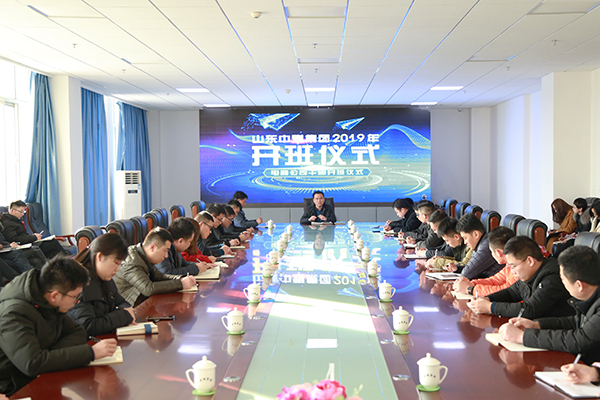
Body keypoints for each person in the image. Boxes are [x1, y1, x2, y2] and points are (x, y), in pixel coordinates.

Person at [0, 256, 117, 396]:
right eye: (75, 297)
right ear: (54, 295)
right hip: (14, 387)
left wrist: (48, 356)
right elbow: (32, 364)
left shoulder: (45, 299)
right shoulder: (13, 313)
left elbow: (78, 332)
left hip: (39, 376)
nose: (77, 302)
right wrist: (90, 353)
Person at [498, 246, 600, 364]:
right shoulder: (590, 296)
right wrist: (537, 325)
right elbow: (575, 322)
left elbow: (579, 341)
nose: (562, 283)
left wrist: (522, 337)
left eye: (563, 279)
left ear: (579, 285)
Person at [468, 236, 574, 319]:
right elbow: (512, 292)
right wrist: (488, 298)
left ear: (530, 261)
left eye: (513, 266)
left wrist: (490, 307)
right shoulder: (531, 273)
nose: (512, 271)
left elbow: (531, 309)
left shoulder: (553, 277)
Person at [67, 233, 135, 336]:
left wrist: (125, 312)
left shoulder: (105, 278)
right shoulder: (80, 282)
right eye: (116, 263)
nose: (118, 269)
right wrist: (124, 316)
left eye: (120, 264)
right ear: (100, 256)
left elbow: (121, 302)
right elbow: (88, 325)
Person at [113, 228, 197, 307]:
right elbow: (148, 288)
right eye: (165, 250)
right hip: (129, 308)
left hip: (142, 304)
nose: (166, 255)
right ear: (152, 247)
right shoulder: (131, 260)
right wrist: (181, 284)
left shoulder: (143, 256)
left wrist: (181, 279)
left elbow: (160, 277)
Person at [453, 226, 517, 297]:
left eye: (491, 251)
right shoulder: (508, 265)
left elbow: (506, 291)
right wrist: (472, 283)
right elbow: (495, 280)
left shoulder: (517, 268)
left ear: (499, 253)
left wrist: (470, 289)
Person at [0, 200, 66, 259]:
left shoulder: (15, 220)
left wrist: (34, 236)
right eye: (21, 211)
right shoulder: (7, 223)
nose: (23, 214)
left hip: (27, 243)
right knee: (53, 243)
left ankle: (63, 266)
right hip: (22, 247)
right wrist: (33, 237)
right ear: (12, 210)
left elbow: (22, 235)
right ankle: (70, 262)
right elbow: (13, 239)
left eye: (24, 211)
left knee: (53, 253)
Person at [447, 213, 502, 279]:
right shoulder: (481, 243)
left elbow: (466, 274)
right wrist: (457, 268)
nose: (465, 242)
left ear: (476, 234)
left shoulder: (486, 246)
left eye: (465, 238)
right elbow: (472, 268)